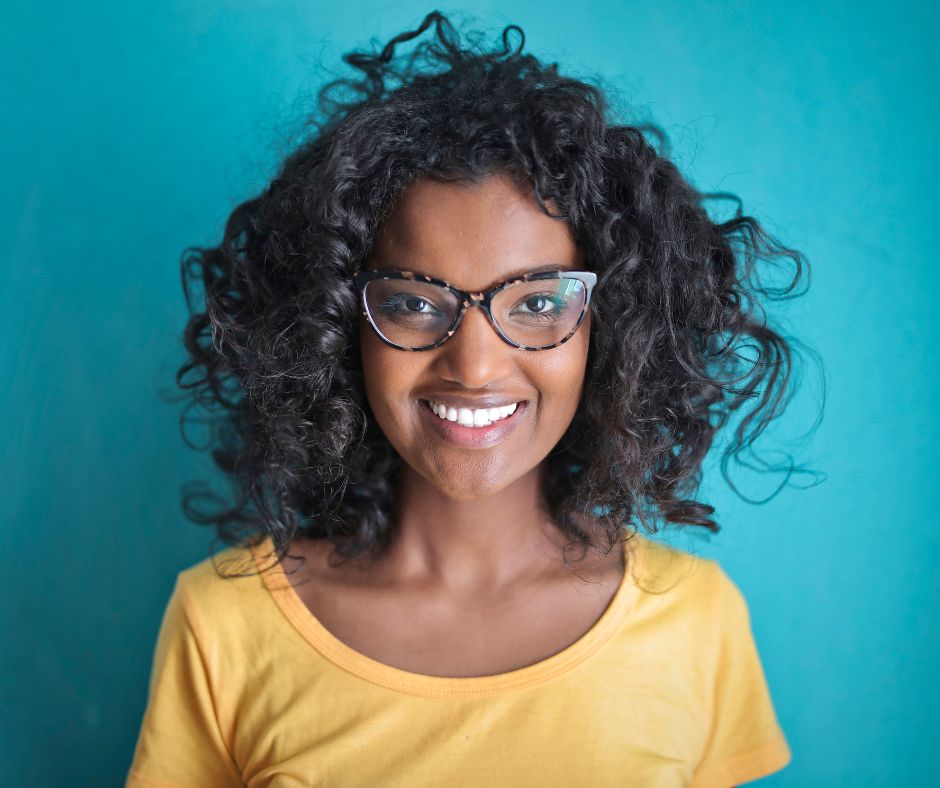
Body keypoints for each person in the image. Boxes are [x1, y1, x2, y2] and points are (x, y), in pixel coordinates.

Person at [128, 11, 812, 787]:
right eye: (415, 302)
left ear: (612, 329)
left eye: (539, 302)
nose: (477, 366)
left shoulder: (695, 620)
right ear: (333, 324)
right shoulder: (225, 626)